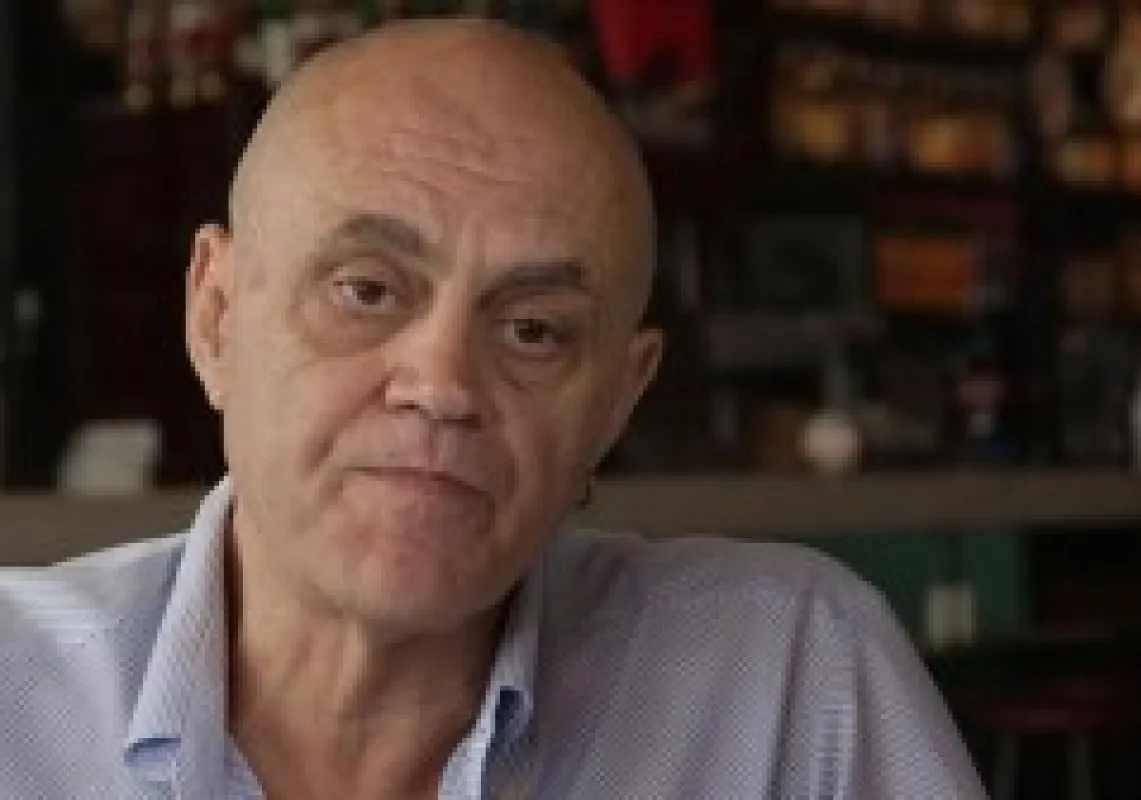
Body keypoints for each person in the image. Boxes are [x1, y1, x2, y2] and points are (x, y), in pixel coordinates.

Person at [0, 19, 986, 799]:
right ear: (216, 314)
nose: (442, 385)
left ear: (618, 400)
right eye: (367, 290)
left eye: (533, 331)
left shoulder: (785, 687)